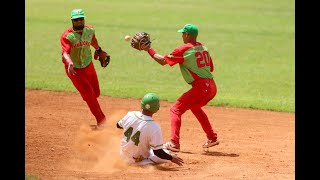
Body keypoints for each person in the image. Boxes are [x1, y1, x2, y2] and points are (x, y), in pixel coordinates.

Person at [141, 24, 219, 152]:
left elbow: (162, 61)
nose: (182, 36)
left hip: (201, 88)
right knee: (195, 107)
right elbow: (210, 68)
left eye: (183, 33)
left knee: (175, 110)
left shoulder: (183, 49)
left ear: (187, 35)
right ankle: (212, 137)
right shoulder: (203, 48)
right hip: (212, 87)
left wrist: (149, 49)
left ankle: (174, 143)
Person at [60, 9, 109, 129]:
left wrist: (99, 50)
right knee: (89, 94)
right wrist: (69, 62)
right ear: (72, 21)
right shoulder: (67, 36)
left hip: (88, 65)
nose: (79, 21)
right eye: (76, 19)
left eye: (81, 18)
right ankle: (101, 120)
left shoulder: (89, 30)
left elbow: (93, 41)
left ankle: (89, 98)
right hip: (74, 69)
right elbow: (64, 53)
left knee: (96, 93)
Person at [116, 93, 184, 166]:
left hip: (122, 157)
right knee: (165, 153)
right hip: (138, 162)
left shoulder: (130, 114)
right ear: (156, 108)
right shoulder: (154, 126)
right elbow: (158, 152)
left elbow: (118, 125)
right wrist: (171, 158)